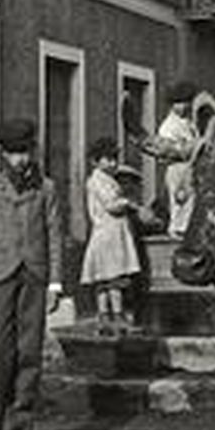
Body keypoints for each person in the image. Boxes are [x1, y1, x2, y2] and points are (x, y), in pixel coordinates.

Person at [0, 118, 64, 430]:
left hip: (34, 276)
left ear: (32, 151)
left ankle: (22, 418)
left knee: (29, 349)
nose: (21, 160)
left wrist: (54, 283)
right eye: (14, 154)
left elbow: (54, 235)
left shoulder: (47, 189)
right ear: (4, 155)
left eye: (25, 152)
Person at [80, 137, 142, 335]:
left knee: (106, 278)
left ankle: (107, 315)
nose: (113, 163)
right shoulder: (97, 181)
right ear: (95, 161)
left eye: (115, 159)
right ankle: (113, 314)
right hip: (107, 233)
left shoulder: (107, 179)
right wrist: (129, 204)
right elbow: (111, 205)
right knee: (112, 277)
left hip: (112, 233)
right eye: (107, 159)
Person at [146, 80, 201, 238]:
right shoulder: (168, 126)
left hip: (190, 165)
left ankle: (187, 227)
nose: (183, 107)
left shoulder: (189, 123)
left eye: (185, 103)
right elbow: (169, 149)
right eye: (178, 103)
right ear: (171, 105)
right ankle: (177, 228)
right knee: (179, 197)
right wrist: (189, 147)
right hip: (177, 166)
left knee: (191, 198)